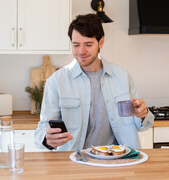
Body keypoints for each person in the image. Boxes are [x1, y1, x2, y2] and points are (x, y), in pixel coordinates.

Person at [34, 14, 154, 151]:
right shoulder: (56, 81)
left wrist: (143, 115)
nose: (81, 51)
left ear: (101, 42)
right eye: (76, 45)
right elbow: (42, 130)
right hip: (76, 162)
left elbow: (143, 125)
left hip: (118, 160)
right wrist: (47, 138)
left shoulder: (122, 76)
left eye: (88, 44)